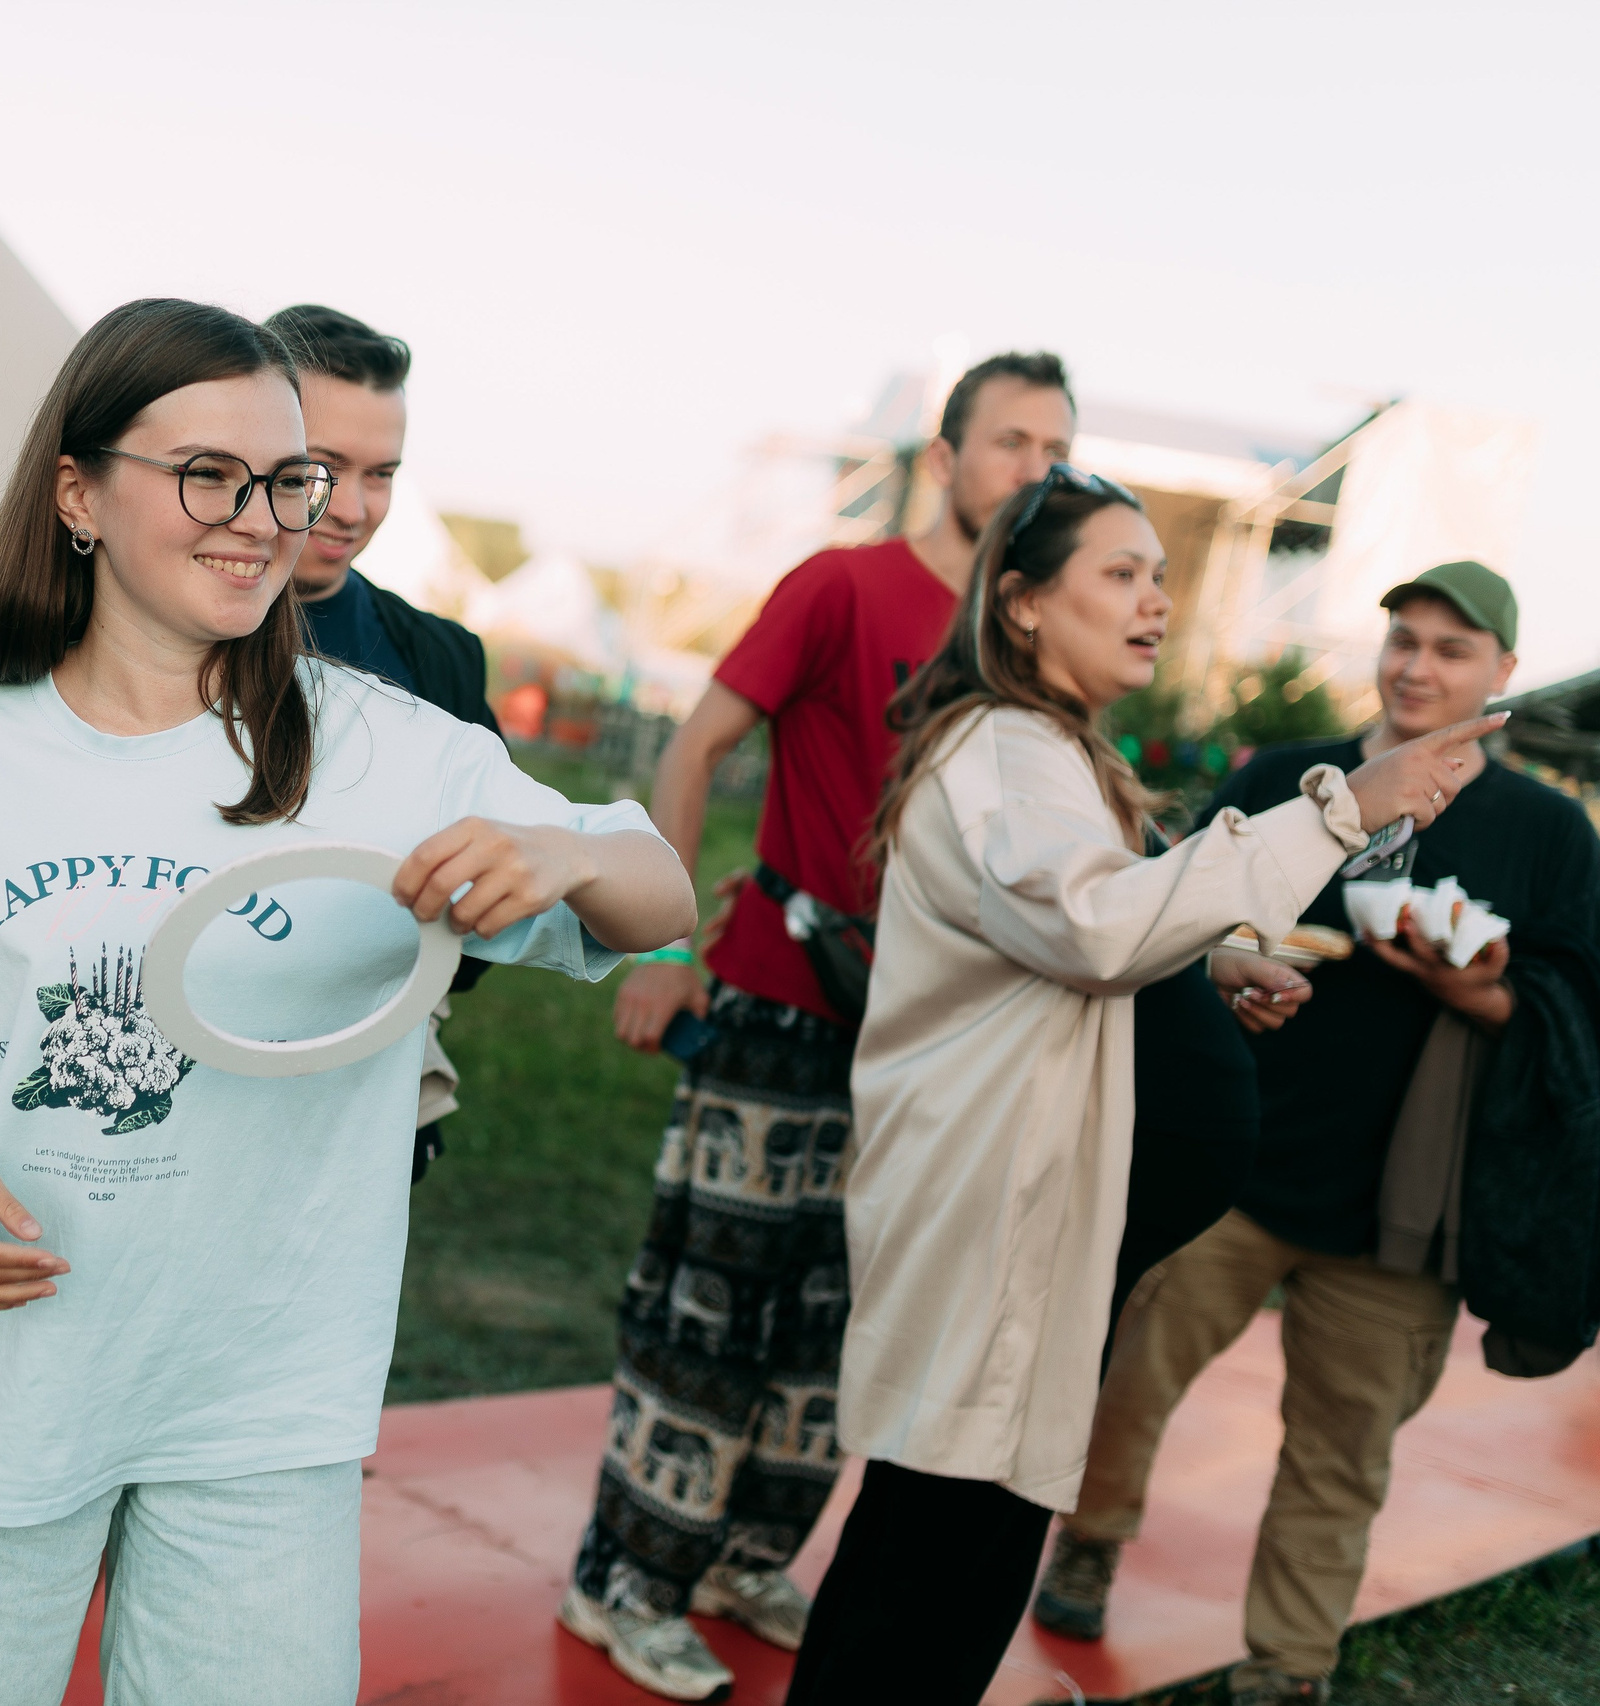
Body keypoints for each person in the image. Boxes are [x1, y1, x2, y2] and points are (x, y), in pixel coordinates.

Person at [0, 298, 693, 1706]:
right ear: (78, 492)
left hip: (263, 1404)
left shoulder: (386, 749)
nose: (258, 517)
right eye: (207, 473)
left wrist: (563, 849)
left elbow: (661, 891)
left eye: (286, 479)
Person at [781, 465, 1493, 1706]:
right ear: (1017, 604)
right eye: (1118, 572)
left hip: (1034, 1240)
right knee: (930, 1573)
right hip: (997, 1228)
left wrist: (1196, 967)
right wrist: (1338, 814)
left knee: (941, 1559)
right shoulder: (1003, 749)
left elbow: (1073, 932)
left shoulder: (1054, 750)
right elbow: (1092, 925)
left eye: (1158, 573)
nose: (1154, 599)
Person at [558, 352, 1074, 1699]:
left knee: (846, 1324)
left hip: (938, 1037)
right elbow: (694, 746)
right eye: (1010, 439)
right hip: (781, 1005)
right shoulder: (842, 583)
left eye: (1055, 445)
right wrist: (667, 944)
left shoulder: (1030, 626)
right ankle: (627, 1579)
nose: (1036, 468)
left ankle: (742, 1554)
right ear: (947, 453)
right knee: (712, 1307)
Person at [1035, 561, 1600, 1706]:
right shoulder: (1291, 775)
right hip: (1227, 1165)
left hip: (1407, 1205)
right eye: (1404, 637)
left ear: (1499, 672)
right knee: (1129, 1381)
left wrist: (1484, 995)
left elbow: (1575, 1007)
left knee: (1340, 1458)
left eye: (1450, 647)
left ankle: (1286, 1670)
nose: (1416, 664)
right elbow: (1164, 911)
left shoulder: (1545, 829)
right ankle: (1087, 1539)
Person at [263, 303, 499, 1185]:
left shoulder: (438, 658)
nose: (356, 508)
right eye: (322, 469)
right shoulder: (150, 627)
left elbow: (487, 905)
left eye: (384, 473)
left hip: (363, 1090)